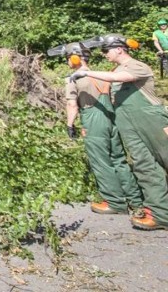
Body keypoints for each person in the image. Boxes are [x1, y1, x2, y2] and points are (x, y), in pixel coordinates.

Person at [72, 34, 168, 230]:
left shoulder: (136, 66)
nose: (104, 54)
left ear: (119, 49)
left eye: (106, 51)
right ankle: (160, 213)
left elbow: (120, 78)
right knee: (144, 165)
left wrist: (87, 73)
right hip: (128, 124)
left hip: (151, 120)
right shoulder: (115, 70)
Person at [63, 42, 143, 215]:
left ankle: (114, 202)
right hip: (111, 117)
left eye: (68, 58)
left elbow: (72, 105)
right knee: (119, 159)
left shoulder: (73, 78)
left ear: (75, 58)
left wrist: (70, 125)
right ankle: (135, 201)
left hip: (92, 117)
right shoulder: (104, 75)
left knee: (100, 161)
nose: (67, 62)